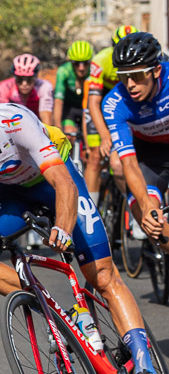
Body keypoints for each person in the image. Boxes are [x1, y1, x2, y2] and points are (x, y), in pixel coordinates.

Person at [0, 73, 164, 374]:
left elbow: (63, 183)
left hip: (56, 178)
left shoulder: (14, 122)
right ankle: (59, 316)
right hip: (14, 192)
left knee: (101, 275)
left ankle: (146, 370)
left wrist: (62, 228)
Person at [102, 31, 169, 253]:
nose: (130, 84)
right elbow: (128, 163)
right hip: (149, 156)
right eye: (123, 77)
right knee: (149, 220)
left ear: (156, 70)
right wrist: (148, 205)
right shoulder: (114, 102)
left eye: (138, 76)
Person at [83, 25, 137, 197]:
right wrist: (105, 135)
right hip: (100, 104)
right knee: (95, 157)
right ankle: (90, 211)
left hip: (126, 104)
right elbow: (93, 103)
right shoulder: (100, 60)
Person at [0, 54, 54, 125]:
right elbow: (1, 115)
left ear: (36, 77)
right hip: (13, 125)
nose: (24, 84)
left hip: (37, 124)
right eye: (20, 79)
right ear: (15, 77)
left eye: (29, 79)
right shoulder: (5, 86)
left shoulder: (44, 86)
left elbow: (45, 114)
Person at [52, 41, 93, 144]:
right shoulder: (63, 71)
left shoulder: (94, 70)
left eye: (85, 63)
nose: (81, 67)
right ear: (71, 62)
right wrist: (57, 129)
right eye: (77, 63)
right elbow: (58, 101)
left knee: (92, 142)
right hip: (69, 109)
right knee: (68, 136)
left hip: (88, 108)